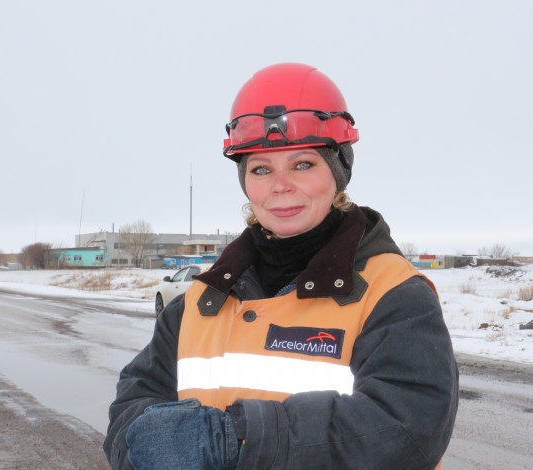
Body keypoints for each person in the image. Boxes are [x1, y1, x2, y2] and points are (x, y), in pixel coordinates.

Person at [104, 62, 459, 470]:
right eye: (261, 169)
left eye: (303, 164)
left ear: (338, 172)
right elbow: (133, 403)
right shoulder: (202, 300)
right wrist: (145, 450)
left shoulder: (395, 296)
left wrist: (237, 440)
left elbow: (407, 428)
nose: (280, 186)